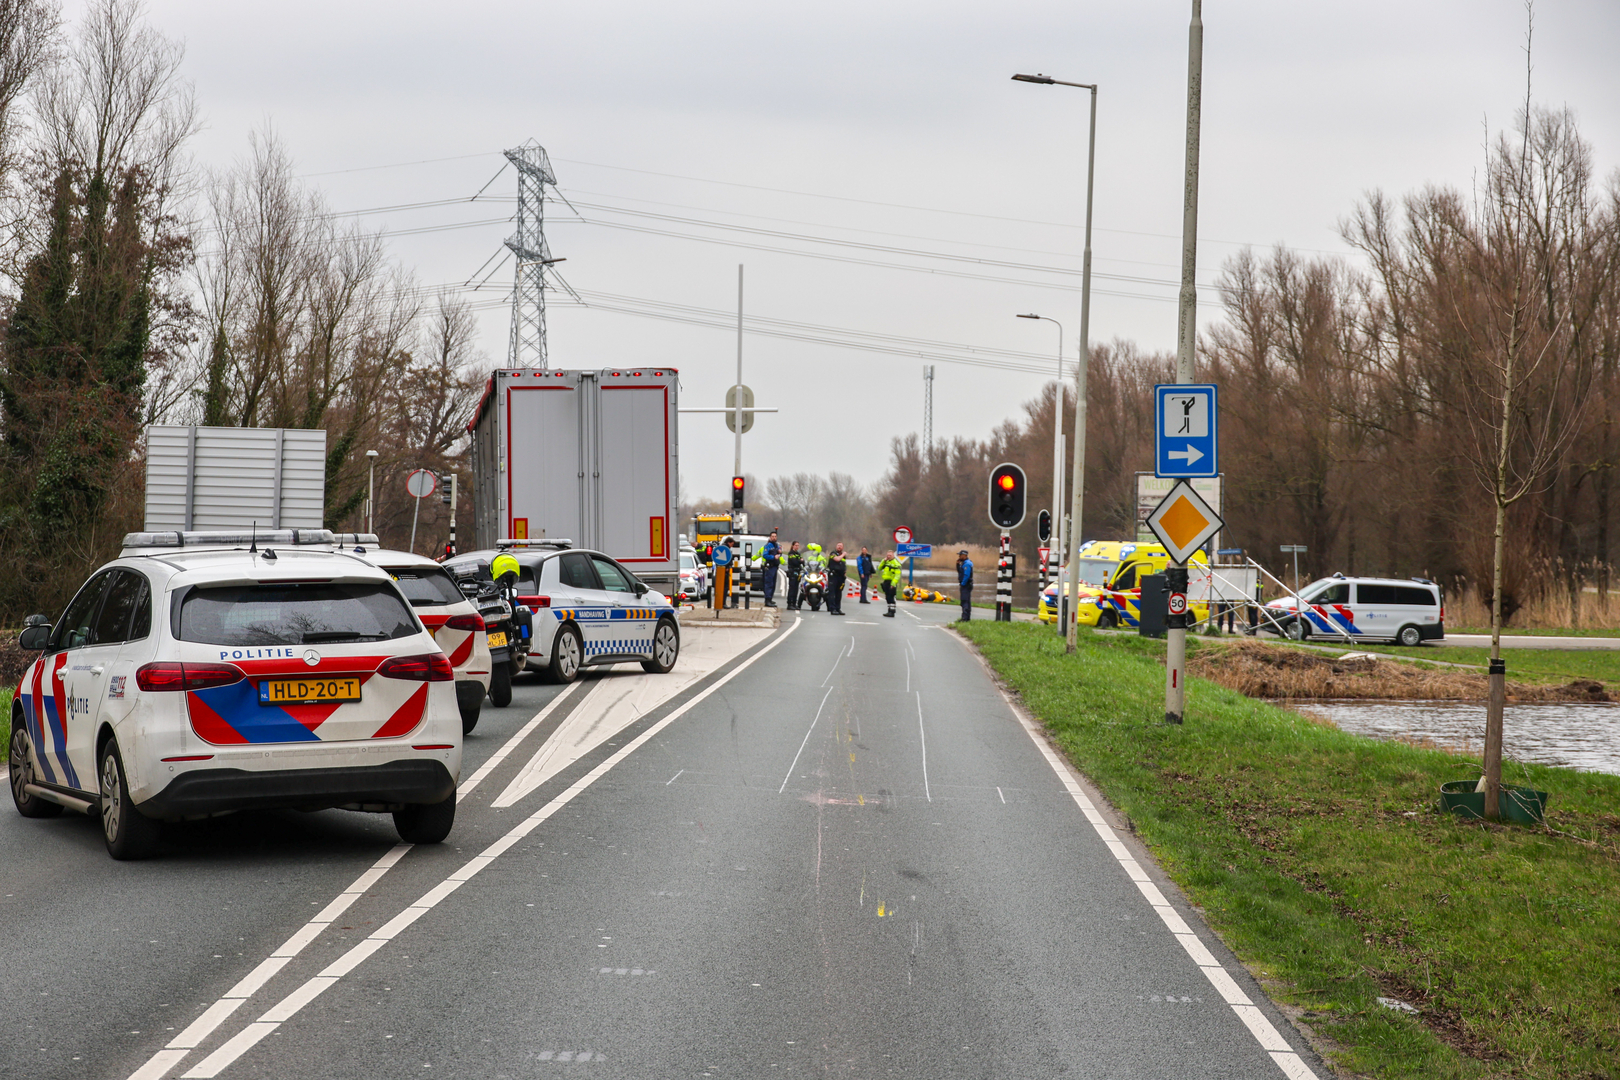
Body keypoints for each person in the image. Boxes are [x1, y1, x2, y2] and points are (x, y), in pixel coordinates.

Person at [878, 549, 903, 617]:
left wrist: (893, 584)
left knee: (891, 597)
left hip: (891, 582)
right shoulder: (886, 562)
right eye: (887, 555)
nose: (888, 556)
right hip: (886, 581)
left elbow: (897, 575)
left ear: (893, 555)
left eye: (890, 555)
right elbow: (879, 568)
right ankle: (889, 611)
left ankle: (892, 612)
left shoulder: (896, 564)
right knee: (887, 597)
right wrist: (884, 561)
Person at [825, 542, 848, 615]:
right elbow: (837, 559)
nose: (839, 547)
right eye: (838, 546)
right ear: (836, 546)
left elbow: (843, 565)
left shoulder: (843, 556)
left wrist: (844, 572)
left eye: (841, 546)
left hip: (840, 576)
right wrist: (843, 554)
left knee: (839, 593)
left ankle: (838, 608)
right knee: (832, 592)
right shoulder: (833, 553)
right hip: (833, 575)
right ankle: (832, 608)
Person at [761, 531, 782, 607]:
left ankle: (770, 599)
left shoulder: (776, 545)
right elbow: (765, 555)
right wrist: (773, 557)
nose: (774, 538)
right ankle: (767, 600)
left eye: (775, 536)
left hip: (775, 567)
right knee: (769, 584)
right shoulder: (768, 545)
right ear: (770, 537)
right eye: (772, 536)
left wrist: (780, 552)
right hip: (770, 567)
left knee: (773, 584)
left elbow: (779, 553)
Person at [785, 541, 804, 610]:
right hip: (792, 572)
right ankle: (790, 603)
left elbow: (803, 561)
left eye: (798, 545)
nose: (797, 547)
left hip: (797, 572)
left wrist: (801, 561)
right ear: (793, 546)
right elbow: (794, 562)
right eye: (795, 545)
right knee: (792, 588)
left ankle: (794, 603)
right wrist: (800, 561)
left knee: (796, 588)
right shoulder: (791, 553)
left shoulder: (798, 554)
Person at [956, 549, 974, 621]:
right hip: (965, 585)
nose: (959, 556)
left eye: (960, 555)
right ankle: (966, 618)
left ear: (964, 556)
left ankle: (965, 618)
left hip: (966, 585)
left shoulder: (967, 564)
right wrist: (957, 565)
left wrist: (963, 584)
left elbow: (966, 575)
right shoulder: (964, 563)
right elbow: (960, 572)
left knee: (965, 601)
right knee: (965, 601)